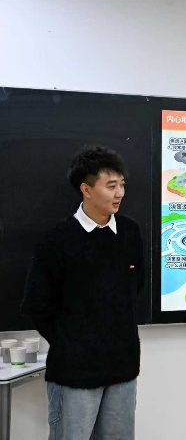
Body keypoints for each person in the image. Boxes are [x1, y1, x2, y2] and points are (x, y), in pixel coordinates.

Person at [21, 145, 144, 440]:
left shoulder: (129, 232)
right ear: (86, 189)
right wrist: (73, 344)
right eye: (111, 186)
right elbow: (36, 304)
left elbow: (135, 287)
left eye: (122, 185)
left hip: (123, 369)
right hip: (75, 374)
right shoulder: (58, 239)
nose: (119, 193)